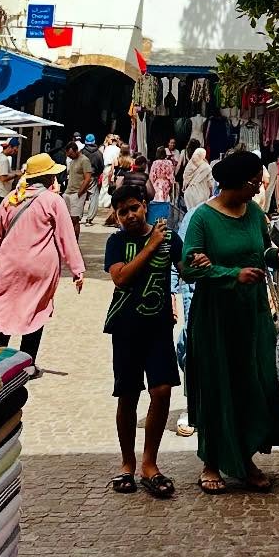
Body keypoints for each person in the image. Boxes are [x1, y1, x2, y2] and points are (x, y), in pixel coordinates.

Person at [179, 149, 279, 495]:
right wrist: (232, 274)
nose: (259, 189)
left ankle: (245, 460)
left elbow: (263, 252)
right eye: (256, 183)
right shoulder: (202, 218)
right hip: (215, 317)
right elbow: (189, 268)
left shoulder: (254, 212)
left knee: (252, 383)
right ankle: (211, 462)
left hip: (253, 314)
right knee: (218, 385)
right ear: (240, 183)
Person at [104, 179, 178, 499]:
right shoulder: (116, 242)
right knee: (128, 395)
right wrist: (151, 245)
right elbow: (120, 277)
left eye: (134, 208)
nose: (130, 215)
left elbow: (186, 267)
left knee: (161, 391)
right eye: (123, 212)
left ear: (145, 206)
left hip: (158, 326)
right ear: (117, 216)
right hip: (125, 327)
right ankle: (127, 464)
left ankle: (150, 463)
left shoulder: (169, 238)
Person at [0, 152, 86, 363]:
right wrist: (77, 270)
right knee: (35, 309)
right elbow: (66, 237)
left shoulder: (11, 199)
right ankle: (27, 361)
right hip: (40, 267)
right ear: (48, 178)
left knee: (6, 305)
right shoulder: (53, 201)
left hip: (8, 264)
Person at [64, 138, 94, 224]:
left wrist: (79, 193)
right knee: (68, 219)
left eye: (71, 154)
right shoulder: (72, 161)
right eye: (68, 154)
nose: (69, 156)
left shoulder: (84, 160)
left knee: (75, 219)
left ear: (76, 151)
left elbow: (88, 178)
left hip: (77, 193)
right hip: (68, 192)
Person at [147, 144, 176, 227]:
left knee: (156, 202)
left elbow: (152, 176)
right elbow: (171, 176)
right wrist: (171, 185)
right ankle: (163, 222)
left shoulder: (155, 163)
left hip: (157, 184)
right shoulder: (169, 163)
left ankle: (155, 222)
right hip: (166, 184)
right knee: (164, 203)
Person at [182, 143, 213, 217]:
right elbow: (210, 182)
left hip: (189, 194)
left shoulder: (189, 165)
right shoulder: (205, 165)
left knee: (191, 216)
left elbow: (185, 180)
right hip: (201, 193)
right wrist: (211, 193)